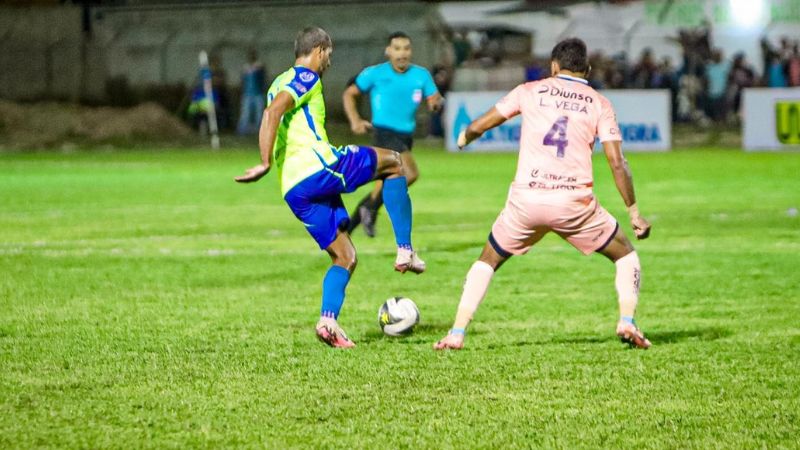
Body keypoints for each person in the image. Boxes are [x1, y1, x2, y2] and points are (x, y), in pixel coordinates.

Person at [433, 38, 653, 351]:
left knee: (487, 260)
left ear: (553, 66)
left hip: (528, 201)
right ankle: (627, 321)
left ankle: (456, 332)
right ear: (587, 69)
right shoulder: (598, 102)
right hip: (574, 205)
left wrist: (465, 135)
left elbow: (484, 123)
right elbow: (617, 162)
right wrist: (633, 212)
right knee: (626, 255)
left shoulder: (530, 90)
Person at [235, 27, 425, 349]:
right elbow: (272, 112)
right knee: (395, 162)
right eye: (330, 55)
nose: (329, 62)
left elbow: (274, 111)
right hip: (317, 168)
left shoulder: (276, 81)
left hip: (295, 189)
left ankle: (328, 322)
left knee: (345, 255)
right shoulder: (306, 77)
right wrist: (264, 162)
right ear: (320, 50)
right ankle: (405, 249)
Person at [343, 31, 443, 238]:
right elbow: (349, 94)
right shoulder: (376, 73)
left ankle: (347, 231)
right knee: (410, 173)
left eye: (406, 48)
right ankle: (370, 209)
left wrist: (435, 102)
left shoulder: (421, 75)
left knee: (383, 186)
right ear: (388, 51)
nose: (402, 53)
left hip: (405, 136)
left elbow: (435, 97)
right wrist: (355, 120)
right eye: (397, 48)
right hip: (383, 134)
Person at [237, 49, 267, 135]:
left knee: (259, 114)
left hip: (258, 93)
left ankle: (260, 131)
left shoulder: (259, 66)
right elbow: (242, 81)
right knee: (245, 114)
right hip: (247, 94)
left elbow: (263, 78)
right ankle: (242, 131)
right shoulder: (245, 67)